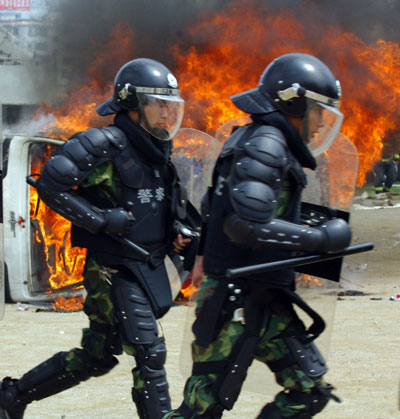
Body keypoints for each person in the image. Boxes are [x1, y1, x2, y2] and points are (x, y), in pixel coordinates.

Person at [0, 58, 200, 419]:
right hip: (112, 268)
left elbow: (157, 208)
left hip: (144, 265)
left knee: (96, 356)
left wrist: (179, 233)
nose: (168, 114)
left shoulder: (158, 152)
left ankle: (12, 395)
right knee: (149, 352)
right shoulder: (104, 144)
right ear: (133, 104)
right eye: (159, 105)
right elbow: (50, 184)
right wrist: (101, 220)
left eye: (172, 106)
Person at [164, 52, 352, 418]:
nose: (319, 125)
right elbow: (244, 224)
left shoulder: (267, 142)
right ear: (295, 103)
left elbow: (217, 209)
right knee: (203, 407)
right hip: (233, 297)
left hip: (266, 295)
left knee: (309, 390)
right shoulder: (265, 142)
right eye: (318, 112)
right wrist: (319, 239)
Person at [373, 131, 400, 195]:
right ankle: (378, 193)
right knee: (380, 177)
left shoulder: (392, 140)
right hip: (379, 163)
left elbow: (395, 149)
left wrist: (397, 159)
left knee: (392, 176)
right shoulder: (376, 137)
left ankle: (386, 191)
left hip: (389, 162)